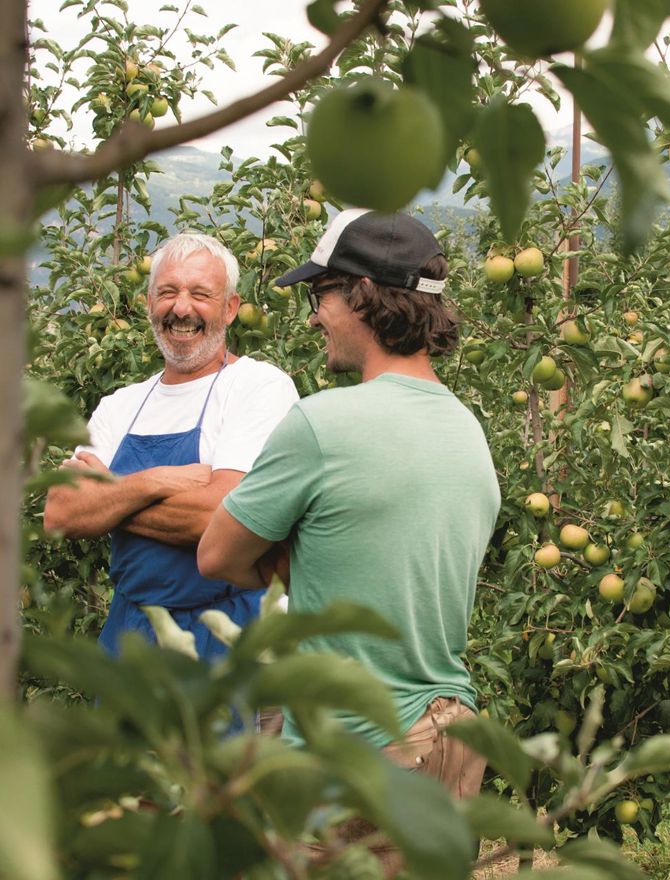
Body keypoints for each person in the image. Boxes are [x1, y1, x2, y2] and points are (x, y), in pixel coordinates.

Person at [197, 209, 501, 871]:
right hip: (451, 740)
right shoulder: (467, 432)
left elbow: (216, 555)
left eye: (319, 295)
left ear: (362, 293)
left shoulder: (320, 423)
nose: (311, 317)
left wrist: (288, 555)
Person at [44, 232, 298, 660]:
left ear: (231, 308)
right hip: (131, 637)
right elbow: (61, 512)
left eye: (200, 294)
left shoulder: (257, 387)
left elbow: (222, 521)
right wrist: (157, 481)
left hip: (230, 636)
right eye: (167, 292)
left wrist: (109, 497)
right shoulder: (120, 404)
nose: (181, 308)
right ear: (148, 304)